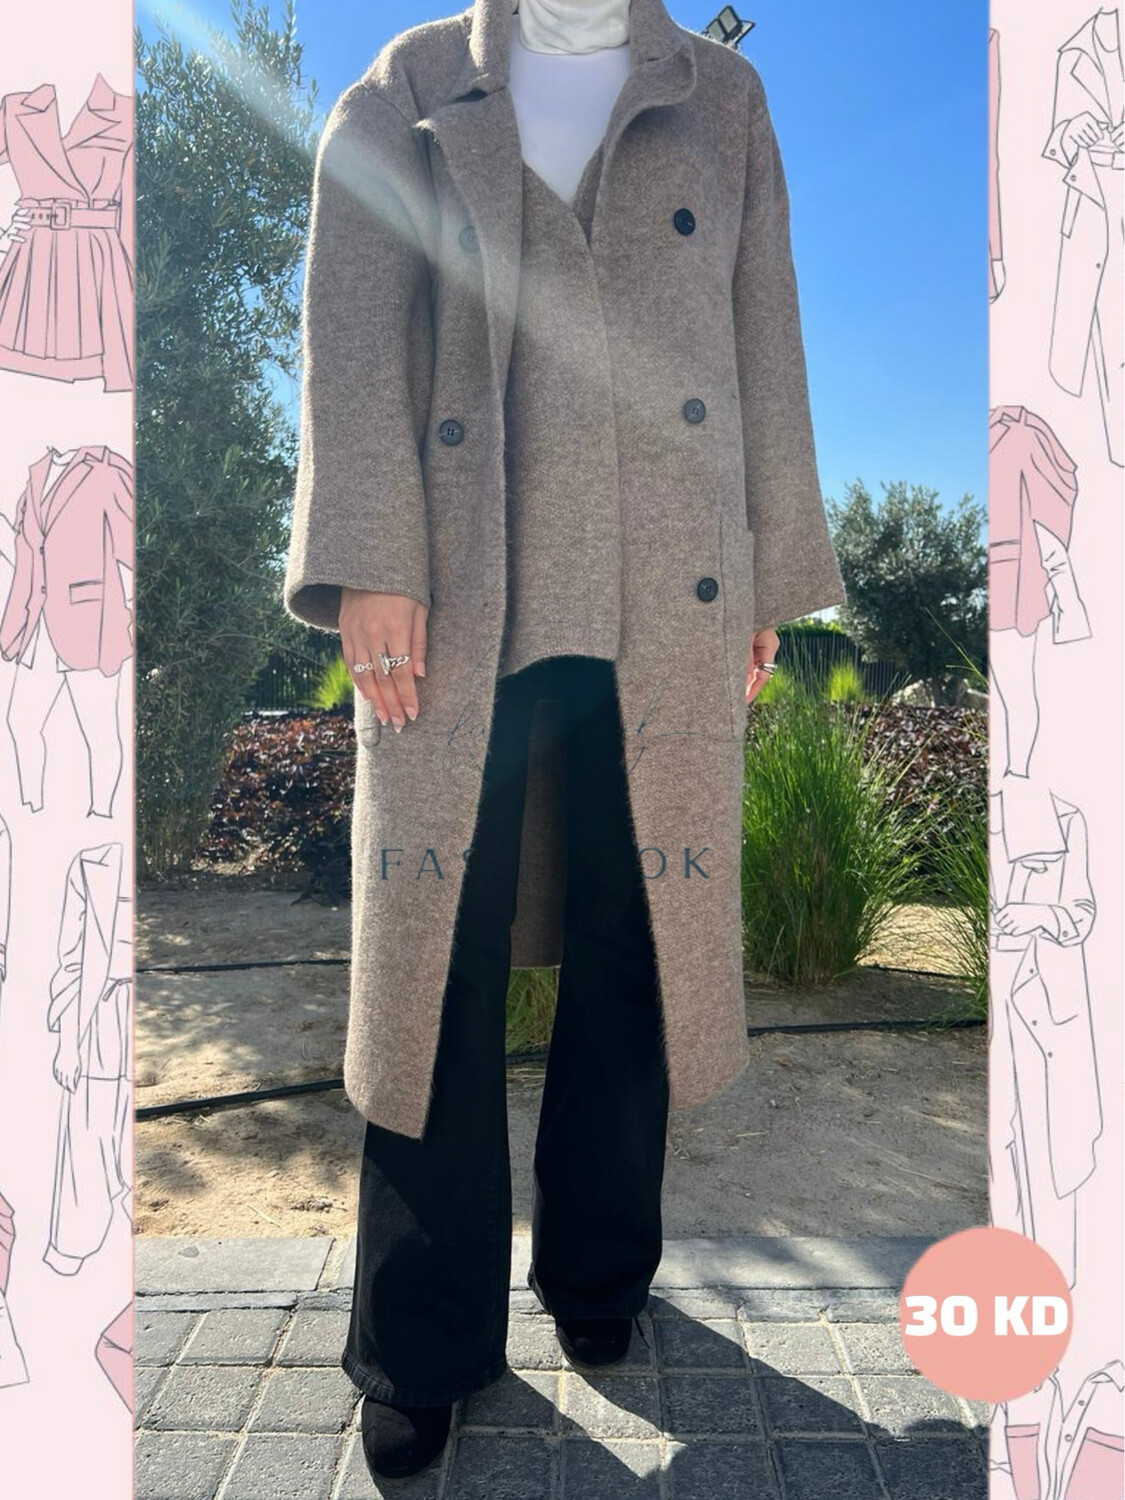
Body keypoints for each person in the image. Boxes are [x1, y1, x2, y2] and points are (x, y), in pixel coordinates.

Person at [282, 0, 846, 1481]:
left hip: (669, 586)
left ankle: (599, 1274)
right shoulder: (410, 82)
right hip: (457, 587)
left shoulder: (720, 95)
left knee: (637, 938)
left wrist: (764, 571)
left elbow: (764, 333)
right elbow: (350, 332)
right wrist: (368, 557)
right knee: (433, 963)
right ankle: (421, 1340)